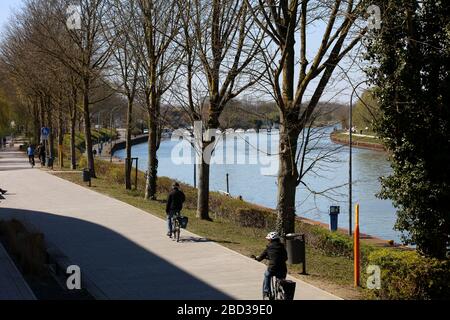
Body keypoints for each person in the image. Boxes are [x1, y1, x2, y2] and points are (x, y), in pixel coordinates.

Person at [251, 232, 288, 300]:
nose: (268, 240)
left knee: (267, 275)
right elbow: (286, 258)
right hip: (282, 269)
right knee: (281, 279)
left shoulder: (269, 247)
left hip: (272, 268)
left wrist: (256, 258)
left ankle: (266, 292)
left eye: (269, 239)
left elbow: (261, 257)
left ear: (271, 240)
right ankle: (281, 290)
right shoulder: (282, 247)